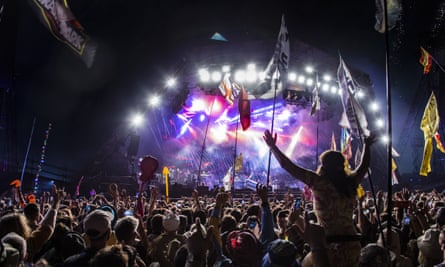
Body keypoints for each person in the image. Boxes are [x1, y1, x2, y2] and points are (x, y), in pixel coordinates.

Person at [263, 129, 373, 267]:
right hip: (352, 245)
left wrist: (273, 147)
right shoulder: (351, 183)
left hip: (328, 246)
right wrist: (367, 146)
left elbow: (287, 165)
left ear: (324, 166)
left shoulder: (319, 182)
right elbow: (363, 166)